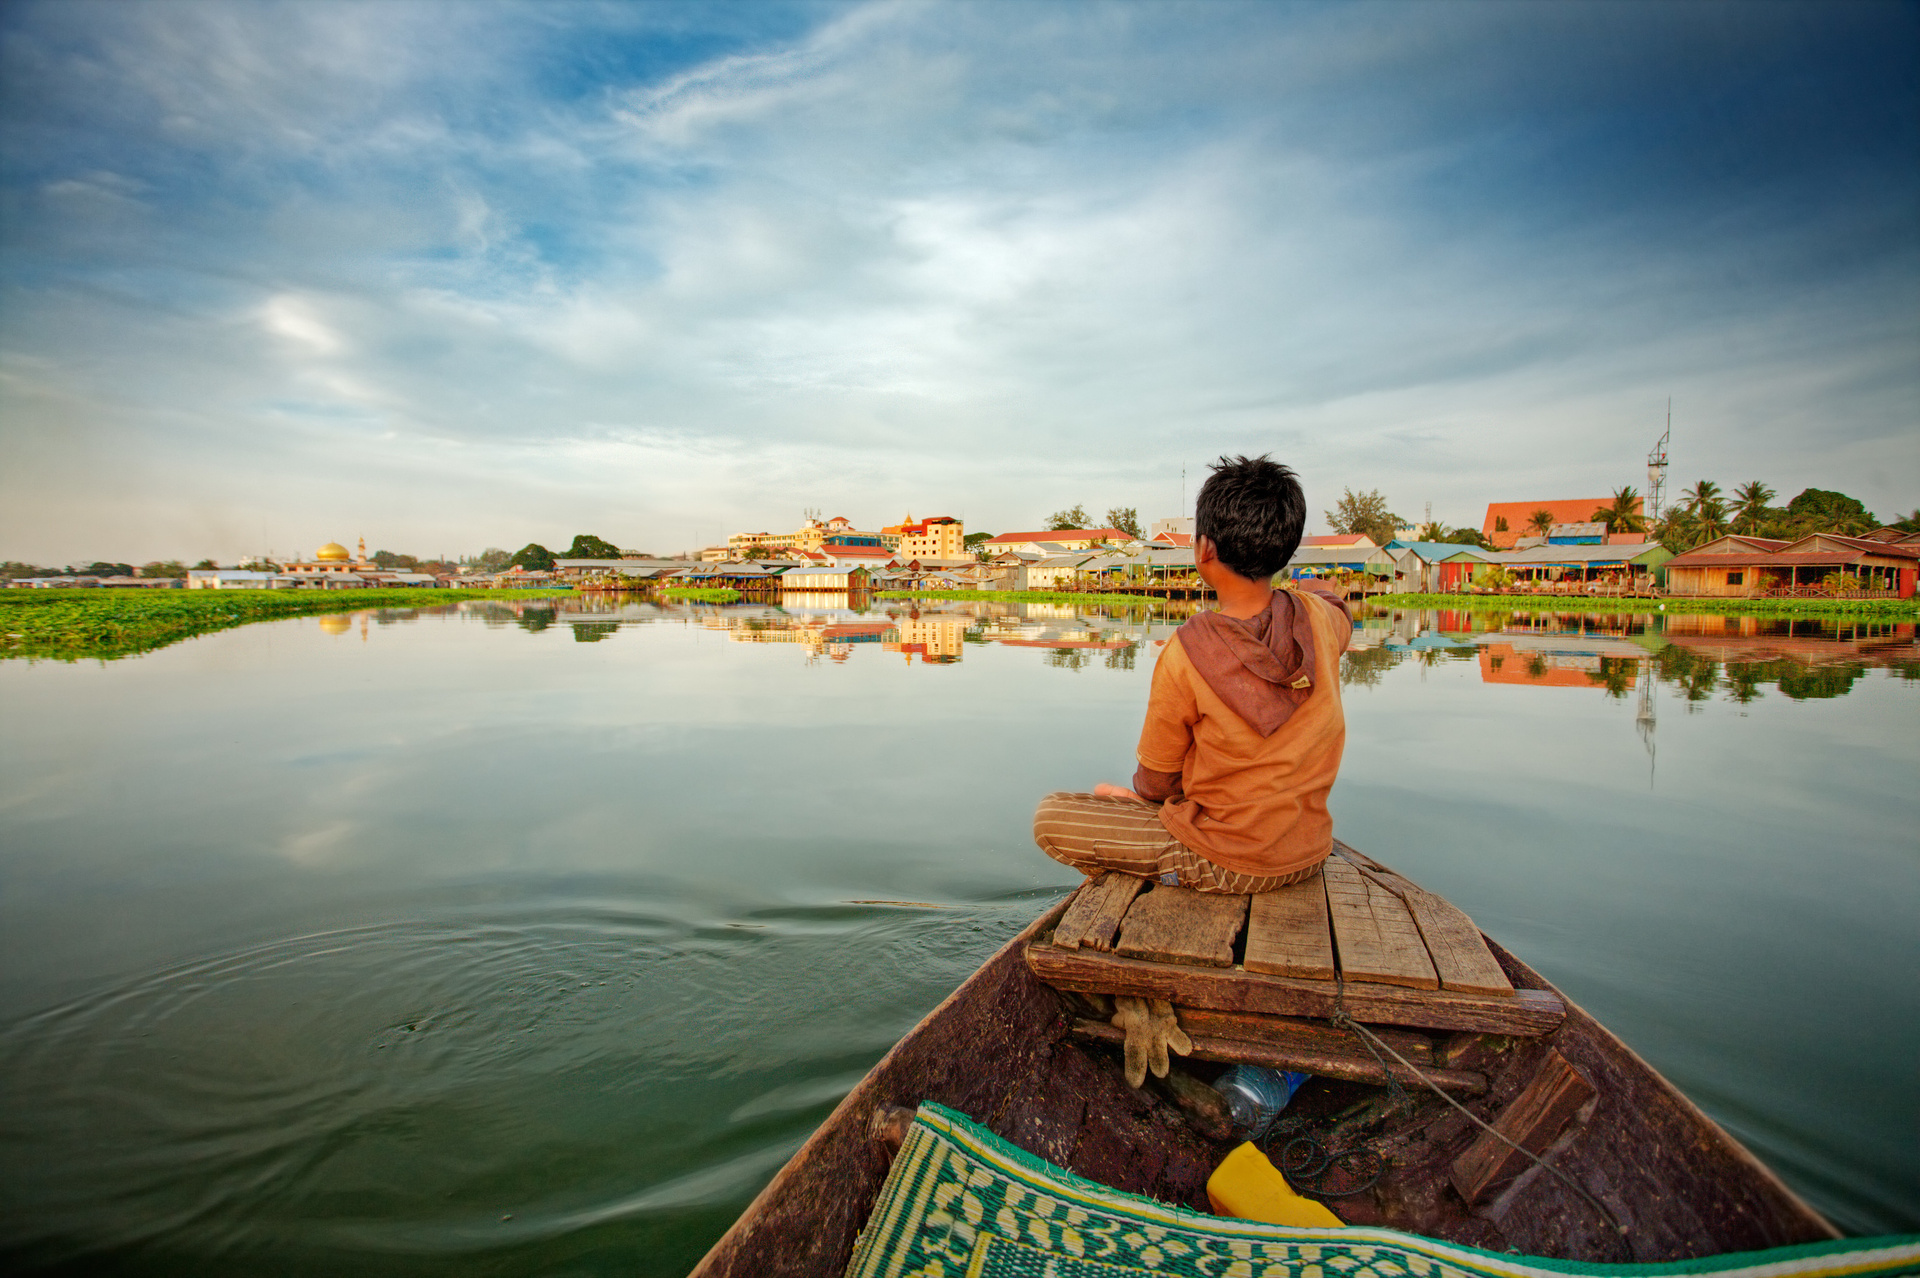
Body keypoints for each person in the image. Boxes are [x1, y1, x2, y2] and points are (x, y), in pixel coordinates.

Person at [1033, 455, 1354, 894]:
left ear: (1204, 550)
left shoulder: (1186, 651)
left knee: (1051, 816)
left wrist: (1140, 803)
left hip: (1228, 861)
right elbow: (1336, 606)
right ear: (1285, 549)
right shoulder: (1321, 618)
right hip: (1308, 852)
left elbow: (1156, 782)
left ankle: (1162, 871)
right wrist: (1318, 592)